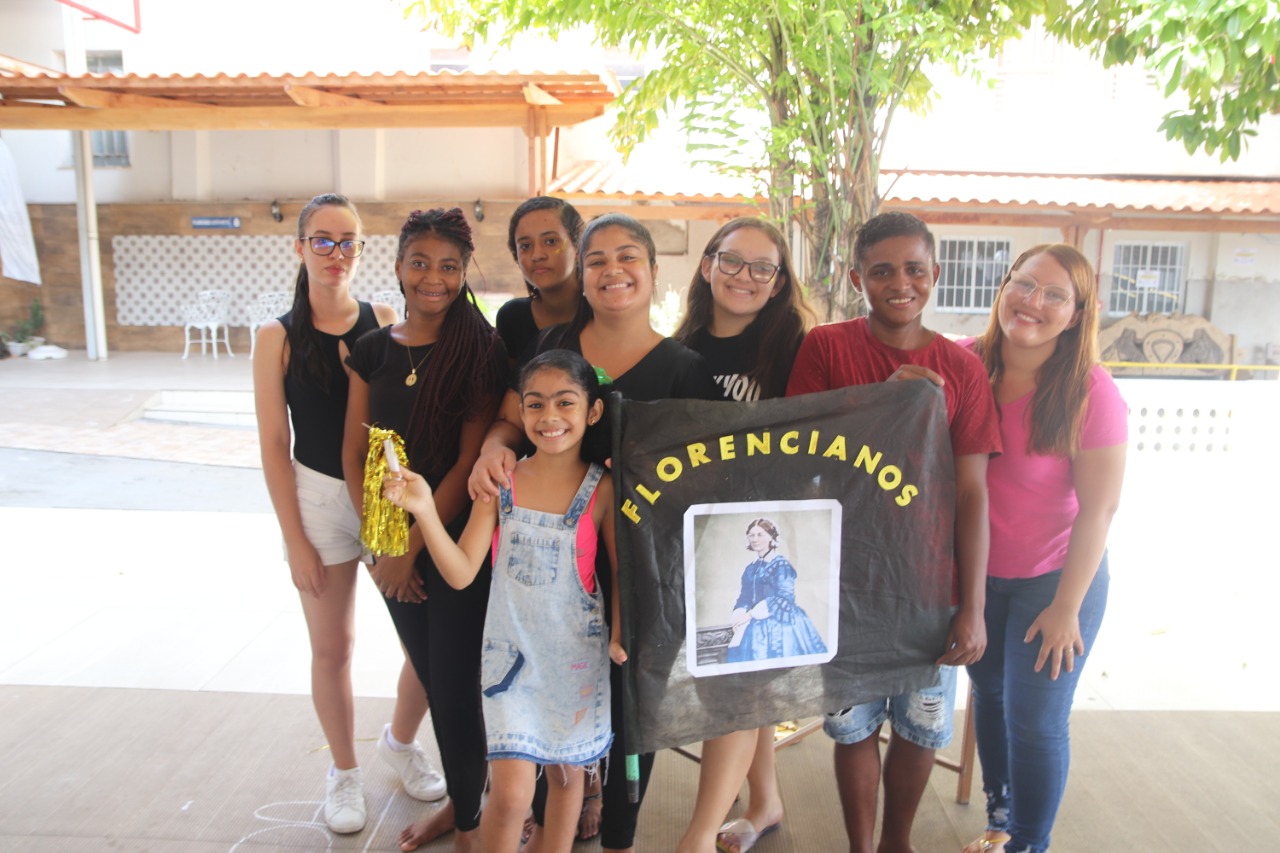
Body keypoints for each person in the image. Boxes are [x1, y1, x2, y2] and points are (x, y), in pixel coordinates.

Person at [470, 212, 719, 853]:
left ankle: (615, 832)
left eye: (628, 256)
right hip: (551, 566)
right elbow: (510, 417)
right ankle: (551, 811)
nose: (613, 270)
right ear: (581, 275)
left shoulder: (685, 368)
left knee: (629, 713)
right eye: (598, 259)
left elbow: (710, 475)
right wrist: (492, 450)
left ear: (654, 271)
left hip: (639, 565)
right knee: (550, 717)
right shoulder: (552, 343)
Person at [785, 211, 1001, 853]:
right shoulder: (825, 348)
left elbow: (972, 492)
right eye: (882, 271)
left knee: (919, 726)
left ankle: (895, 843)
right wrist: (885, 404)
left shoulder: (961, 369)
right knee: (852, 726)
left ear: (935, 273)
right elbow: (797, 462)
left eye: (914, 269)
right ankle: (861, 846)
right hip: (843, 580)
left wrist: (973, 607)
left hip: (929, 584)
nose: (900, 283)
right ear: (858, 279)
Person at [384, 349, 628, 853]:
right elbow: (461, 571)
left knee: (566, 779)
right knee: (512, 794)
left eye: (565, 402)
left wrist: (623, 632)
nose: (550, 416)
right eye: (535, 404)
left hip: (576, 662)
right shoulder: (501, 485)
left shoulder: (603, 488)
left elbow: (620, 570)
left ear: (593, 411)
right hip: (510, 663)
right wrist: (424, 510)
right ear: (520, 411)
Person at [253, 193, 436, 834]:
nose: (338, 253)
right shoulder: (276, 336)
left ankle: (400, 743)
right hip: (315, 499)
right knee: (334, 647)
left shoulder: (383, 318)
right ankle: (344, 771)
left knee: (424, 640)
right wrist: (296, 541)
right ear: (300, 247)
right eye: (324, 240)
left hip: (381, 494)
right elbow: (274, 445)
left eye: (349, 241)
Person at [343, 208, 508, 852]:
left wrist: (410, 550)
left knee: (458, 689)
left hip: (456, 541)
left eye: (448, 266)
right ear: (398, 266)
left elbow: (467, 463)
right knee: (438, 684)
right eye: (420, 263)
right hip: (389, 544)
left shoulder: (480, 349)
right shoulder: (372, 350)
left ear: (464, 272)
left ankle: (469, 826)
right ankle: (469, 805)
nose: (432, 277)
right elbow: (355, 453)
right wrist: (382, 548)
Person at [960, 245, 1126, 853]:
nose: (1033, 302)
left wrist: (1065, 608)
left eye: (1055, 295)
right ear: (1003, 286)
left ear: (1078, 314)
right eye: (1024, 284)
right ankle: (1000, 822)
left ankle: (1030, 843)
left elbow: (1099, 509)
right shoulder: (964, 362)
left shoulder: (1090, 391)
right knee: (989, 696)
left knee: (1033, 721)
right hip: (978, 576)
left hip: (1055, 579)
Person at [670, 217, 816, 853]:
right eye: (732, 261)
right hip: (698, 535)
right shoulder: (678, 350)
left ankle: (699, 836)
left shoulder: (799, 348)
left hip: (764, 537)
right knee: (735, 672)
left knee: (734, 677)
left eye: (763, 267)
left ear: (779, 282)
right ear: (708, 265)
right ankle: (765, 801)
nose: (745, 277)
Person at [496, 196, 586, 362]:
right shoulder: (512, 318)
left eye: (550, 241)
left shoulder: (602, 313)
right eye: (525, 246)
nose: (537, 255)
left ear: (578, 247)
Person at [726, 518, 827, 663]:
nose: (755, 539)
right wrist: (739, 615)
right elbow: (745, 597)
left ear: (771, 537)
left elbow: (784, 598)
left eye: (760, 535)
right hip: (754, 624)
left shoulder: (781, 564)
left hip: (782, 622)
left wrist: (749, 614)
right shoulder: (751, 568)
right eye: (751, 535)